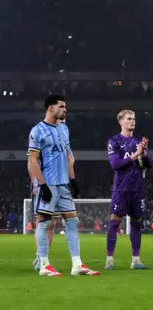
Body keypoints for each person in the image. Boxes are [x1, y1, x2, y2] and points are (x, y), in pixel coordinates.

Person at [29, 94, 99, 276]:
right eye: (61, 106)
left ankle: (77, 264)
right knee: (44, 223)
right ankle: (44, 264)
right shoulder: (37, 131)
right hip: (48, 183)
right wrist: (42, 185)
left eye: (65, 107)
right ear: (50, 108)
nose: (64, 110)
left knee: (73, 221)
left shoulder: (64, 129)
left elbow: (69, 157)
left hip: (63, 184)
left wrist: (73, 180)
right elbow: (32, 161)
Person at [105, 109, 153, 270]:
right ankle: (109, 260)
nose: (132, 121)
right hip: (121, 189)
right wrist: (135, 155)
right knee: (114, 223)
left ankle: (136, 260)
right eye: (129, 119)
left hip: (137, 188)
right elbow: (115, 165)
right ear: (121, 122)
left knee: (136, 223)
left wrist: (144, 154)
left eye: (134, 119)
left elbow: (150, 165)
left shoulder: (138, 142)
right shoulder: (115, 141)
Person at [31, 119, 65, 272]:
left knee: (52, 224)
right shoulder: (41, 131)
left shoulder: (64, 133)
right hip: (44, 183)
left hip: (59, 184)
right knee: (42, 221)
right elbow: (31, 160)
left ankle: (44, 257)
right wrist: (36, 182)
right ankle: (40, 257)